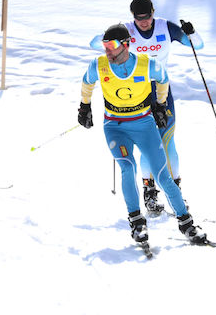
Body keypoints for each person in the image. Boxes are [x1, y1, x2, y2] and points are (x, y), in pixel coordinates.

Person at [78, 23, 206, 245]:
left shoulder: (147, 65)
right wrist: (84, 106)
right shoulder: (99, 65)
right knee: (128, 167)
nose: (107, 50)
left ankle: (186, 223)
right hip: (115, 126)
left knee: (162, 174)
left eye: (112, 45)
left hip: (144, 124)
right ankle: (137, 223)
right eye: (105, 45)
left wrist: (160, 104)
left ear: (126, 45)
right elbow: (87, 83)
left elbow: (163, 79)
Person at [90, 0, 203, 215]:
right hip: (136, 95)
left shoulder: (165, 27)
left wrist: (191, 32)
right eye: (138, 18)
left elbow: (197, 45)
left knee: (167, 142)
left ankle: (175, 191)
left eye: (148, 16)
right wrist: (108, 35)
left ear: (153, 12)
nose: (144, 21)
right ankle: (149, 192)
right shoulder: (126, 31)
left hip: (161, 91)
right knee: (146, 144)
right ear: (133, 16)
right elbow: (95, 44)